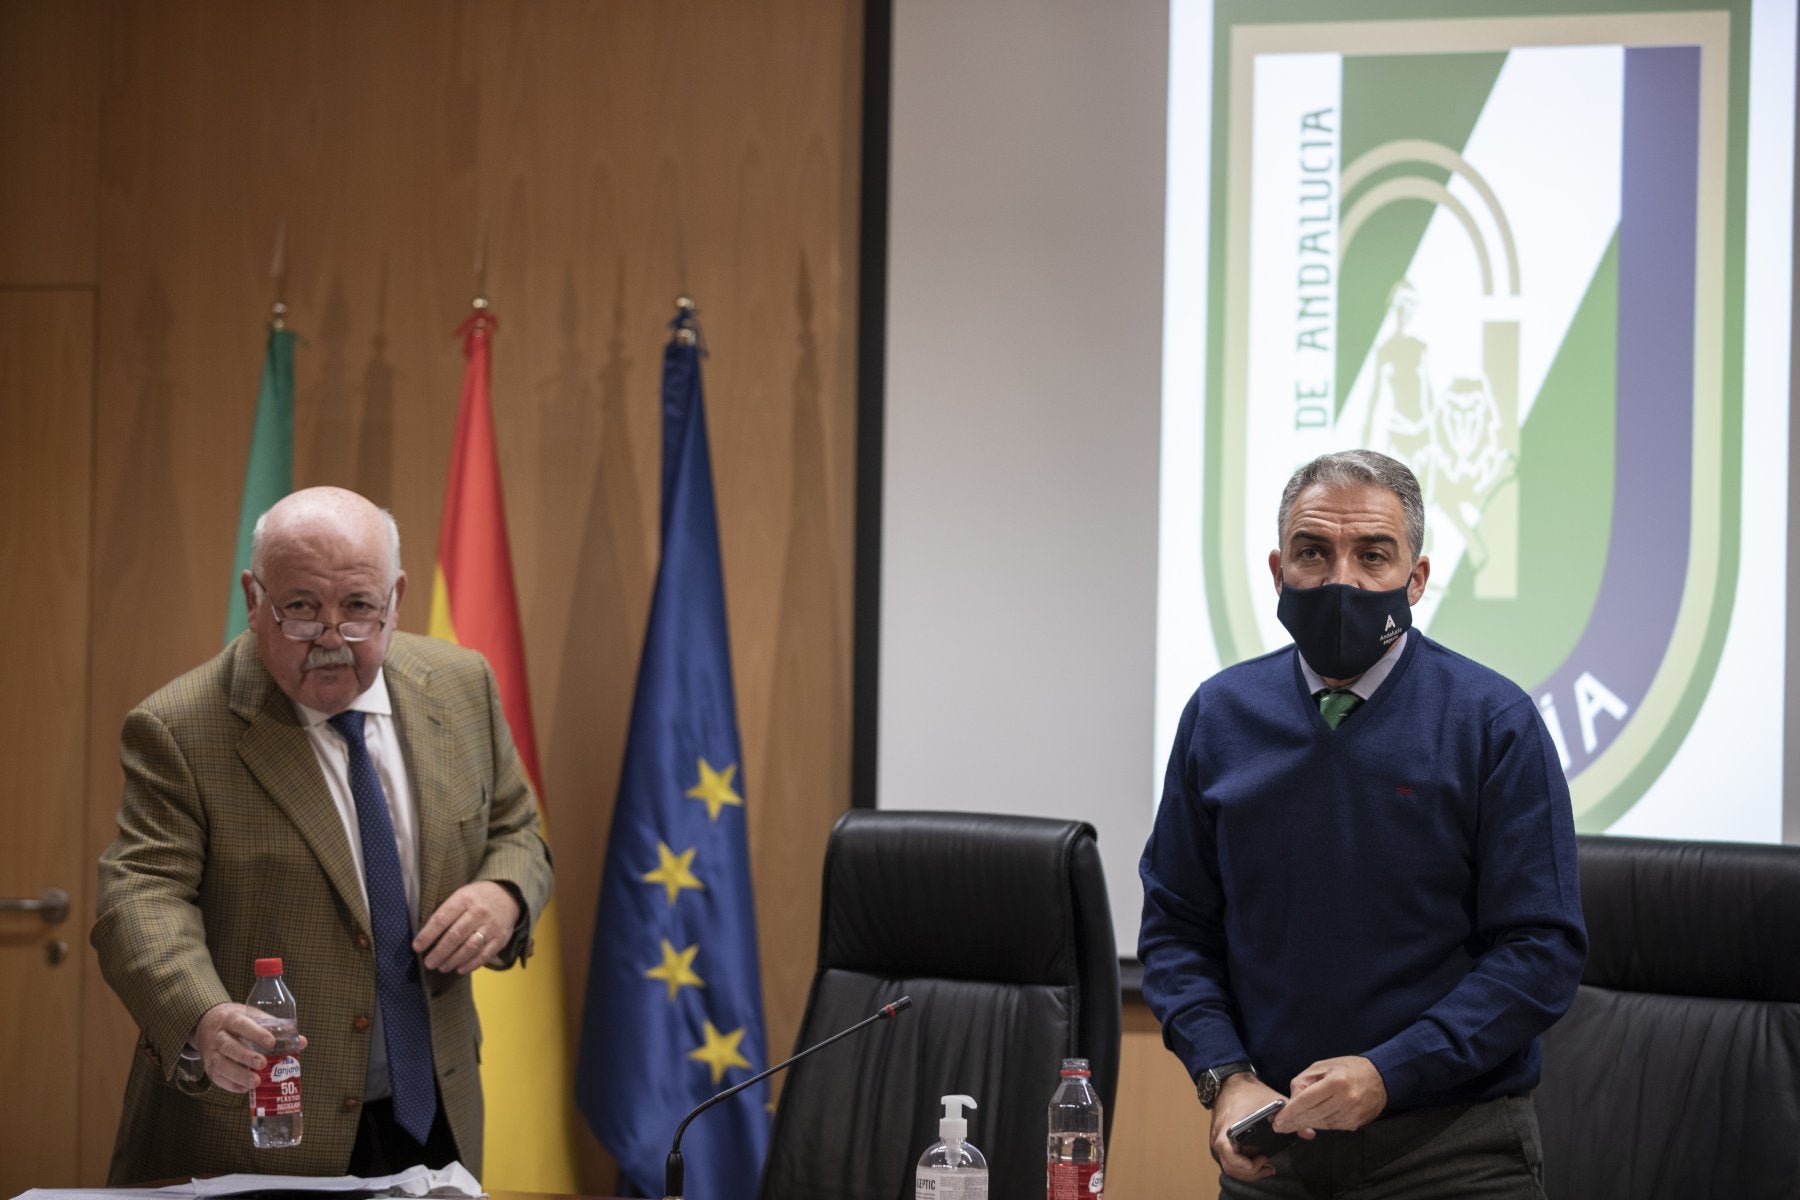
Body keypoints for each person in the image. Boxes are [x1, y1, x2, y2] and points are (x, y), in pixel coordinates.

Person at [1138, 450, 1586, 1198]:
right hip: (1277, 1150)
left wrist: (1392, 1071)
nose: (1341, 579)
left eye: (1372, 555)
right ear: (1279, 572)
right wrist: (1225, 1077)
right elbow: (1177, 928)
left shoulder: (1493, 722)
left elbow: (1542, 950)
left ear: (1415, 579)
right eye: (1314, 553)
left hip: (1454, 1153)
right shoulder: (1218, 718)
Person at [92, 486, 554, 1183]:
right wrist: (201, 1013)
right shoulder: (181, 728)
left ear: (395, 599)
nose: (333, 636)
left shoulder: (462, 686)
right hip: (259, 1122)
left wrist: (505, 893)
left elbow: (516, 827)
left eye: (359, 607)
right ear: (254, 599)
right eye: (301, 608)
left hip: (433, 1111)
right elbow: (140, 898)